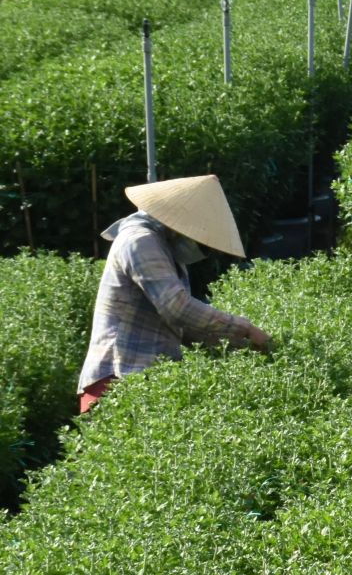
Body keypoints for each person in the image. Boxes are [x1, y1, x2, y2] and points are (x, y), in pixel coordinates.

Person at [77, 174, 270, 413]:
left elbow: (183, 327)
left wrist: (240, 345)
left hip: (140, 380)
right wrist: (245, 328)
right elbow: (177, 307)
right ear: (181, 224)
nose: (201, 250)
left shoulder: (162, 249)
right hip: (117, 379)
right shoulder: (140, 240)